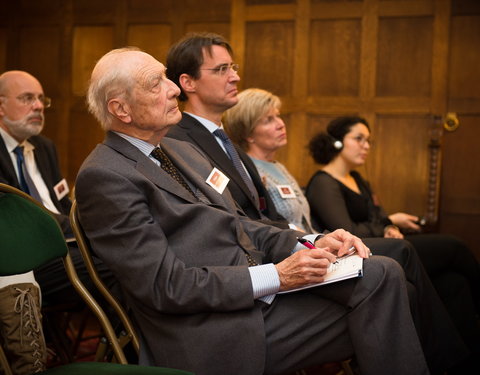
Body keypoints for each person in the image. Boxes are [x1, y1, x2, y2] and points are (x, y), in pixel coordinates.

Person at [75, 46, 468, 375]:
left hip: (256, 298)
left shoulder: (178, 148)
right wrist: (276, 277)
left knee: (383, 272)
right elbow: (167, 287)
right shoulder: (105, 176)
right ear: (121, 110)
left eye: (166, 76)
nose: (173, 89)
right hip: (211, 329)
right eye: (155, 83)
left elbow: (242, 224)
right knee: (393, 297)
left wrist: (313, 241)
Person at [306, 115, 480, 369]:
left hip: (380, 243)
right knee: (454, 246)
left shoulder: (358, 180)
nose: (366, 145)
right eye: (358, 139)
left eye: (368, 141)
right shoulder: (323, 182)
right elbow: (349, 231)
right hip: (360, 253)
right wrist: (385, 224)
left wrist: (389, 226)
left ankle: (466, 360)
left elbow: (378, 218)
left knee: (454, 283)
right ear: (337, 143)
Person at [165, 32, 289, 228]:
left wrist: (308, 240)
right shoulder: (175, 142)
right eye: (222, 69)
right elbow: (216, 222)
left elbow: (264, 214)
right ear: (188, 83)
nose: (235, 77)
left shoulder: (227, 143)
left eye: (233, 68)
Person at [223, 87, 314, 232]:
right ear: (248, 134)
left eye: (278, 116)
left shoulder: (279, 167)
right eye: (268, 120)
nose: (281, 124)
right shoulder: (247, 173)